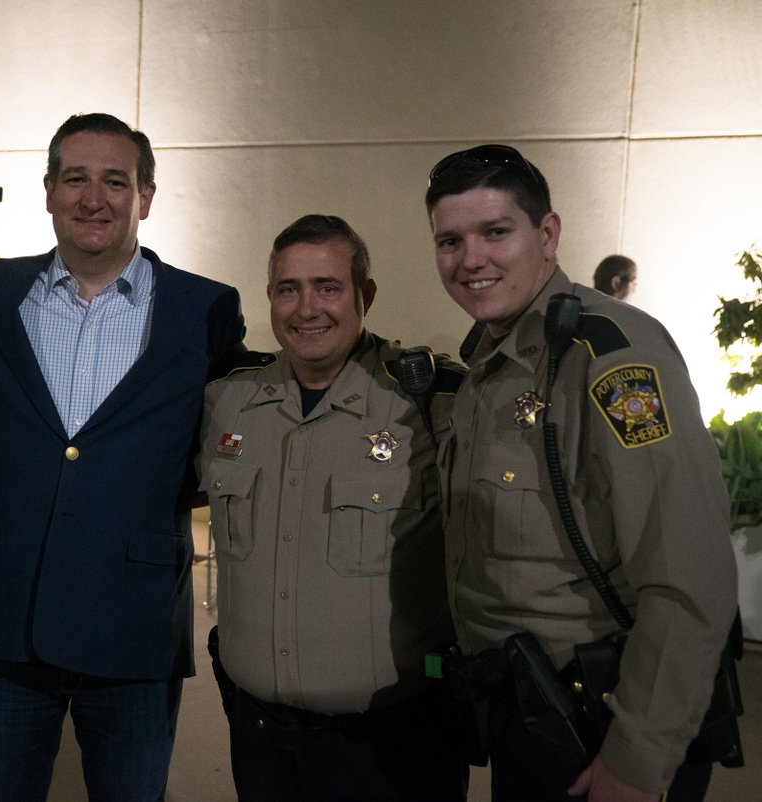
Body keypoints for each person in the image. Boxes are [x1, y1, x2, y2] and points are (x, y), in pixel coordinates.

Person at [0, 112, 246, 802]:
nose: (93, 198)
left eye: (115, 181)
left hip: (136, 623)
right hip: (4, 616)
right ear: (49, 190)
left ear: (146, 196)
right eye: (75, 178)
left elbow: (230, 431)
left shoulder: (203, 309)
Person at [425, 144, 738, 802]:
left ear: (548, 234)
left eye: (495, 232)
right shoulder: (492, 361)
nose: (470, 259)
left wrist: (638, 760)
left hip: (605, 726)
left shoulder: (613, 357)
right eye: (450, 240)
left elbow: (689, 577)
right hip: (530, 713)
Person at [199, 214, 469, 801]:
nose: (306, 309)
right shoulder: (227, 400)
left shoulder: (430, 403)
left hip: (393, 748)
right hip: (259, 741)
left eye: (327, 287)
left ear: (364, 294)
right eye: (287, 289)